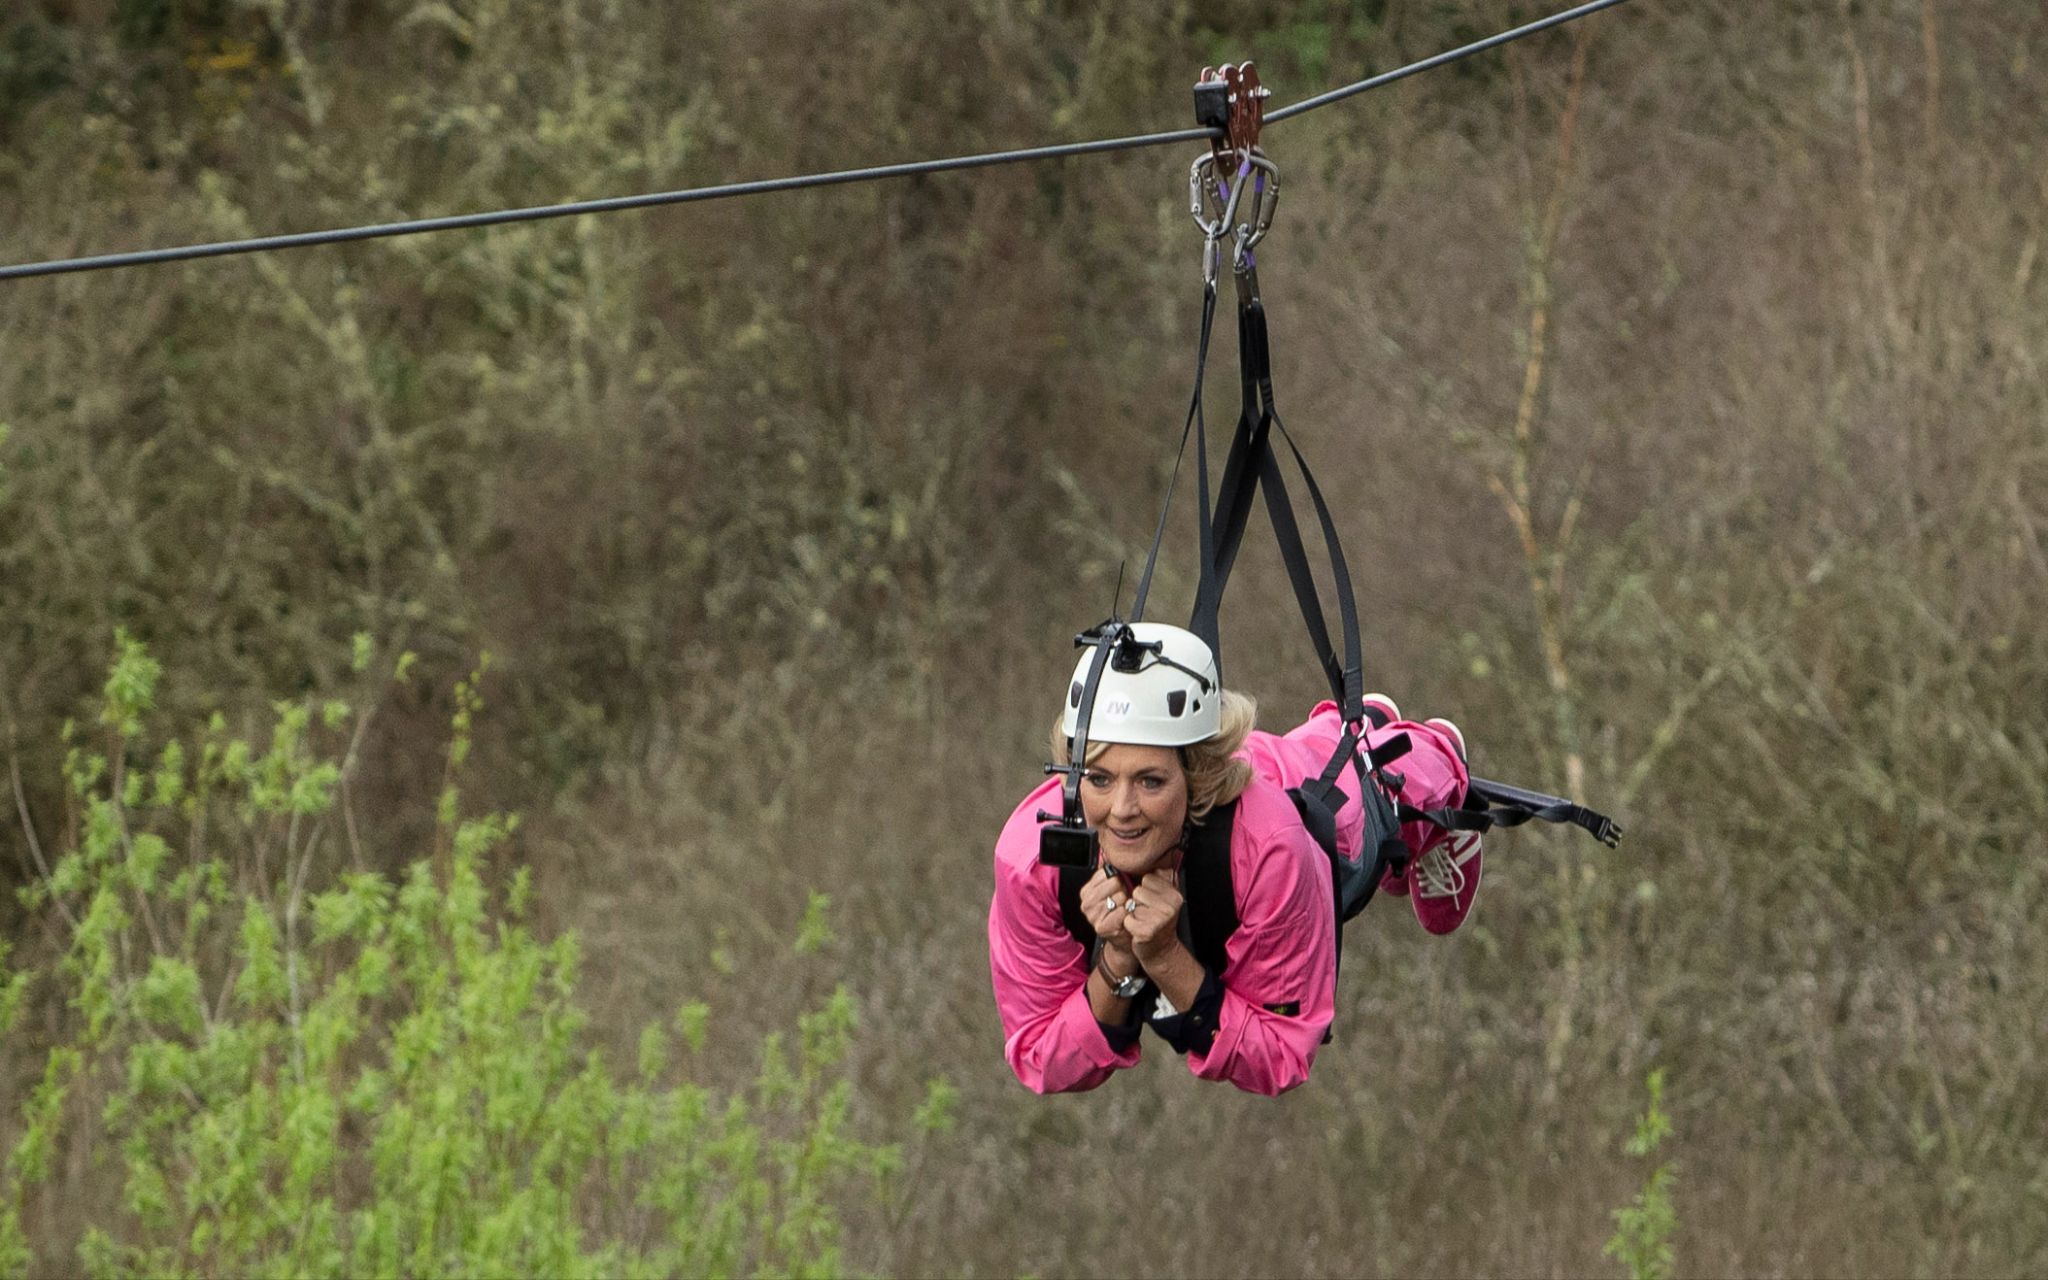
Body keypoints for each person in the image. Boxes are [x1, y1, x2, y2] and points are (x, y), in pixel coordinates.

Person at [987, 622, 1477, 1097]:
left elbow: (1283, 1054)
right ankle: (1347, 733)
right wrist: (1119, 959)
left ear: (1197, 775)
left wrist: (1164, 955)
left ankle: (1409, 762)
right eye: (1099, 778)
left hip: (1287, 807)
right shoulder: (1030, 860)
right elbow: (1041, 1058)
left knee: (1369, 816)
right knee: (1310, 760)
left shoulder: (1270, 846)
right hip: (1224, 823)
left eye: (1150, 781)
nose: (1121, 810)